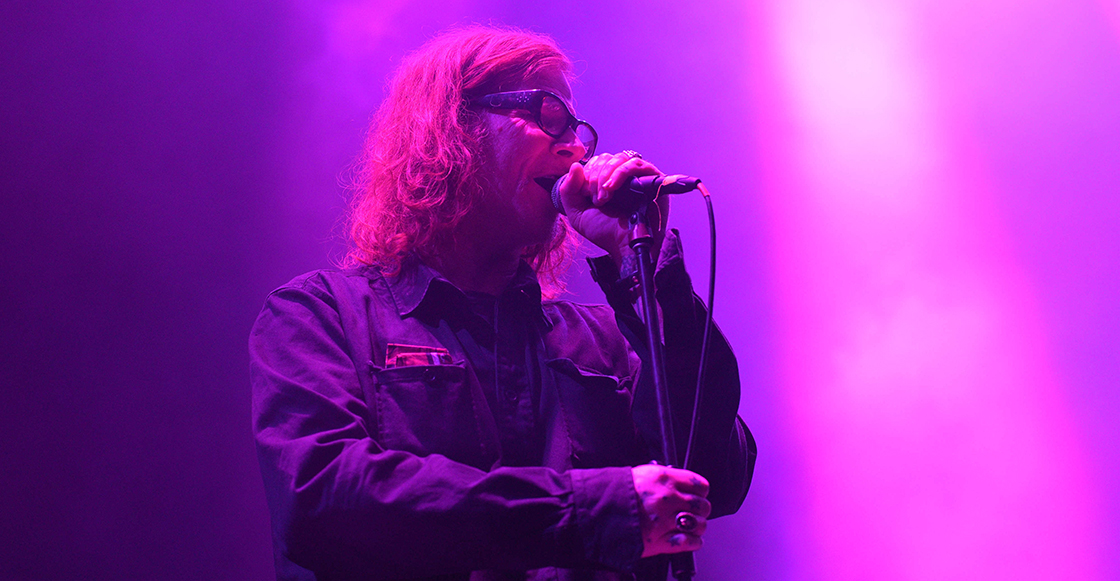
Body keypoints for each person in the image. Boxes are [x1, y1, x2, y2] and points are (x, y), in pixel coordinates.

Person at [250, 25, 756, 581]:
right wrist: (593, 510)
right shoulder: (320, 317)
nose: (576, 148)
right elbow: (322, 496)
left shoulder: (605, 342)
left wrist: (647, 268)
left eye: (577, 129)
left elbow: (717, 472)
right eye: (547, 114)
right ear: (452, 129)